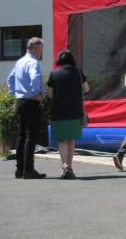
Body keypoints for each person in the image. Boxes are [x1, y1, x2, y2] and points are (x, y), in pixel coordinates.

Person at [6, 37, 47, 179]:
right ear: (35, 48)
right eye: (41, 49)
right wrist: (37, 93)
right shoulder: (33, 62)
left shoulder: (19, 62)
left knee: (22, 135)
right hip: (30, 101)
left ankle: (20, 169)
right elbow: (35, 77)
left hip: (20, 101)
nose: (42, 52)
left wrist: (15, 92)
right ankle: (29, 169)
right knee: (31, 136)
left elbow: (10, 78)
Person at [47, 50, 89, 179]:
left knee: (62, 140)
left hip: (58, 111)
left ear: (59, 60)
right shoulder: (78, 72)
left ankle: (64, 165)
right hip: (75, 111)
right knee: (71, 139)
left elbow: (50, 94)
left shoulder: (53, 73)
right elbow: (86, 89)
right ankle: (70, 167)